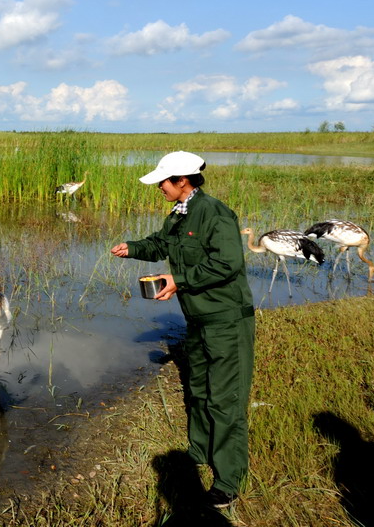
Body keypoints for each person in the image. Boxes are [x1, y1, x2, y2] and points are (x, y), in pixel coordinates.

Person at [110, 151, 254, 509]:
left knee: (226, 400)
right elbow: (162, 243)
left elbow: (228, 263)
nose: (159, 186)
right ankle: (199, 451)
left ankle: (228, 480)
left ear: (183, 181)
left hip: (226, 321)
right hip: (198, 319)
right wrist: (133, 248)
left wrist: (178, 279)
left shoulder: (215, 214)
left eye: (164, 181)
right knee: (199, 388)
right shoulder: (180, 213)